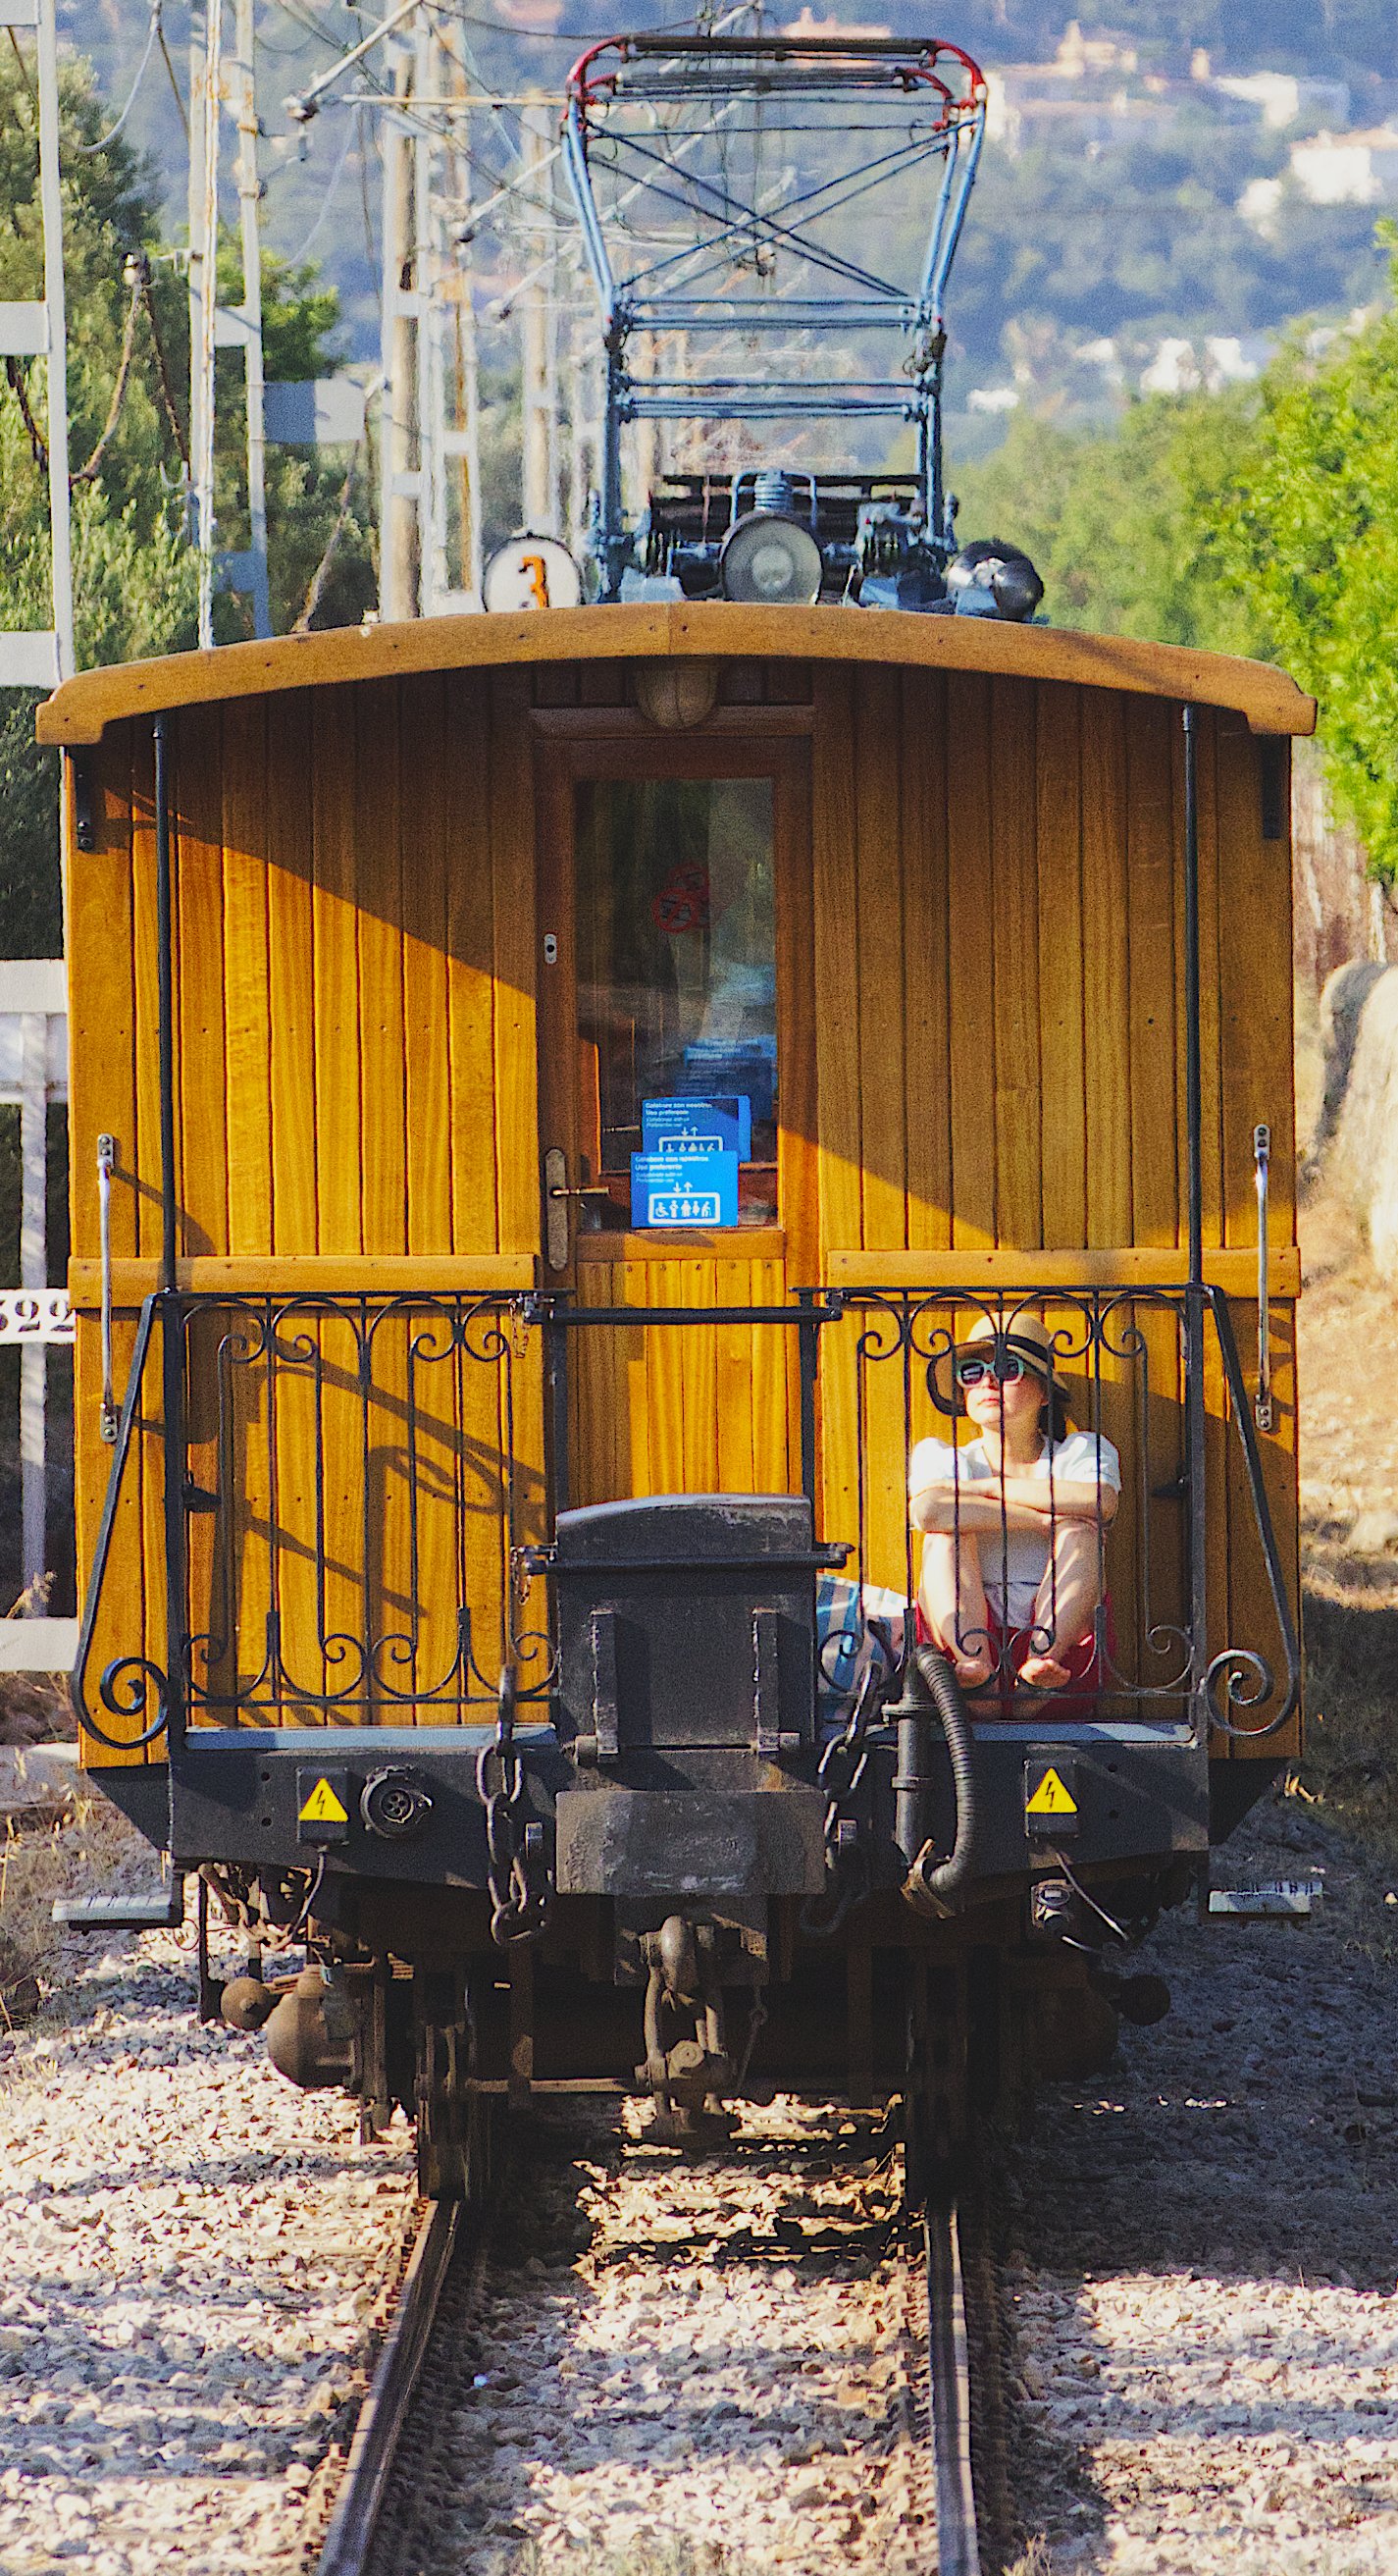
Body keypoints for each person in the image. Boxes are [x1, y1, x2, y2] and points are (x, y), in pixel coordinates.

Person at [908, 1311, 1119, 1702]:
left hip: (1064, 1648)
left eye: (1008, 1368)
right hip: (962, 1649)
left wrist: (986, 1491)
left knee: (1079, 1530)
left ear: (1043, 1393)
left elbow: (1098, 1501)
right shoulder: (942, 1457)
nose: (988, 1380)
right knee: (943, 1538)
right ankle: (972, 1663)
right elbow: (929, 1513)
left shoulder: (1079, 1451)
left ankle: (1044, 1660)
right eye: (973, 1371)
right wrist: (1042, 1517)